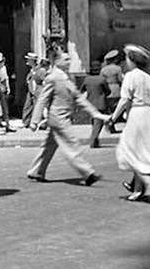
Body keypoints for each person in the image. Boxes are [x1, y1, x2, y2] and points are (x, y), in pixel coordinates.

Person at [27, 50, 106, 186]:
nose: (69, 62)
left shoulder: (66, 77)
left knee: (49, 146)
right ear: (57, 62)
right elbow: (42, 99)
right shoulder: (53, 77)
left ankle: (36, 171)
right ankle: (87, 173)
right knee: (71, 144)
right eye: (66, 59)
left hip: (63, 116)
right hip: (58, 117)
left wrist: (95, 113)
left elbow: (79, 98)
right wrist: (35, 121)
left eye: (69, 59)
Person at [107, 45, 150, 202]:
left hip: (136, 114)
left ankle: (149, 182)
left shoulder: (131, 76)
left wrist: (114, 117)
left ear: (131, 61)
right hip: (148, 114)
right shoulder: (149, 78)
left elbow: (125, 99)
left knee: (128, 150)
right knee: (141, 151)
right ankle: (138, 190)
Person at [82, 61, 110, 148]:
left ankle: (95, 140)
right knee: (98, 124)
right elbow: (108, 91)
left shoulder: (87, 79)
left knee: (93, 122)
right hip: (100, 103)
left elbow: (81, 90)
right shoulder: (102, 79)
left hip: (90, 103)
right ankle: (93, 140)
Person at [100, 49, 123, 131]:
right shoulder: (118, 69)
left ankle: (109, 125)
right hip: (116, 90)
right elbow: (120, 79)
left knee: (108, 110)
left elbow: (101, 80)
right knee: (116, 109)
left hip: (107, 90)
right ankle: (112, 123)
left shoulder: (103, 70)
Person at [21, 52, 45, 129]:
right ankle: (26, 122)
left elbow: (43, 81)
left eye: (28, 60)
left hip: (38, 91)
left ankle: (39, 123)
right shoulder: (32, 70)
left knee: (37, 106)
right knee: (28, 106)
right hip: (31, 91)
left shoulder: (40, 70)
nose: (27, 61)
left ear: (32, 60)